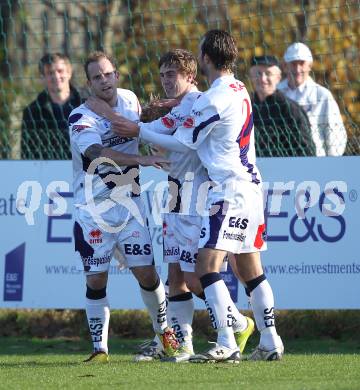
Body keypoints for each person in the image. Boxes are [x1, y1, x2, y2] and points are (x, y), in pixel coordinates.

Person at [108, 30, 284, 362]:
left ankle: (228, 338)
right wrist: (155, 118)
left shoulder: (213, 98)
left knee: (204, 267)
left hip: (223, 190)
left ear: (203, 59)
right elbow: (177, 121)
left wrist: (139, 130)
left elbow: (185, 139)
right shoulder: (238, 88)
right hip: (234, 188)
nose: (166, 80)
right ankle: (268, 340)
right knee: (247, 268)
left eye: (171, 73)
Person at [68, 51, 178, 363]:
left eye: (107, 74)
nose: (104, 80)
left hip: (129, 203)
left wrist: (152, 145)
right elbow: (96, 151)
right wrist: (142, 159)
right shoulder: (81, 118)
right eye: (96, 77)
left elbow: (143, 132)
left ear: (117, 75)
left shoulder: (130, 101)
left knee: (146, 272)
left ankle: (164, 335)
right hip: (94, 209)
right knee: (96, 279)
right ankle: (100, 348)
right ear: (89, 83)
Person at [278, 42, 347, 156]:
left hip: (315, 162)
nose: (297, 69)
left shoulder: (322, 95)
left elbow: (335, 133)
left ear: (310, 66)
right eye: (293, 64)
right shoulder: (276, 94)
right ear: (285, 66)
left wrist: (332, 163)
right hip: (281, 160)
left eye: (302, 63)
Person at [249, 55, 316, 157]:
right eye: (258, 73)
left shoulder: (290, 109)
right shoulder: (245, 107)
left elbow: (306, 150)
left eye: (268, 73)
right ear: (251, 76)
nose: (263, 79)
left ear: (278, 78)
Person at [22, 53, 82, 159]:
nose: (56, 76)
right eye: (50, 73)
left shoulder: (86, 104)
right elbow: (27, 153)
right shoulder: (32, 111)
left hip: (85, 169)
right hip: (48, 171)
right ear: (42, 77)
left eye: (60, 71)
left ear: (69, 72)